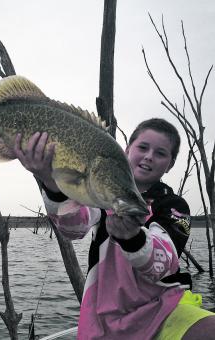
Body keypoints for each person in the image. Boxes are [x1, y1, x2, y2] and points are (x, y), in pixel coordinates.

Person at [14, 118, 215, 339]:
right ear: (127, 150)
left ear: (171, 164)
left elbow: (163, 264)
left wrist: (133, 237)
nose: (149, 156)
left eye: (160, 153)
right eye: (143, 147)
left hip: (162, 309)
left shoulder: (173, 206)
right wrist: (49, 181)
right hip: (103, 318)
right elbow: (73, 228)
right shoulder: (100, 191)